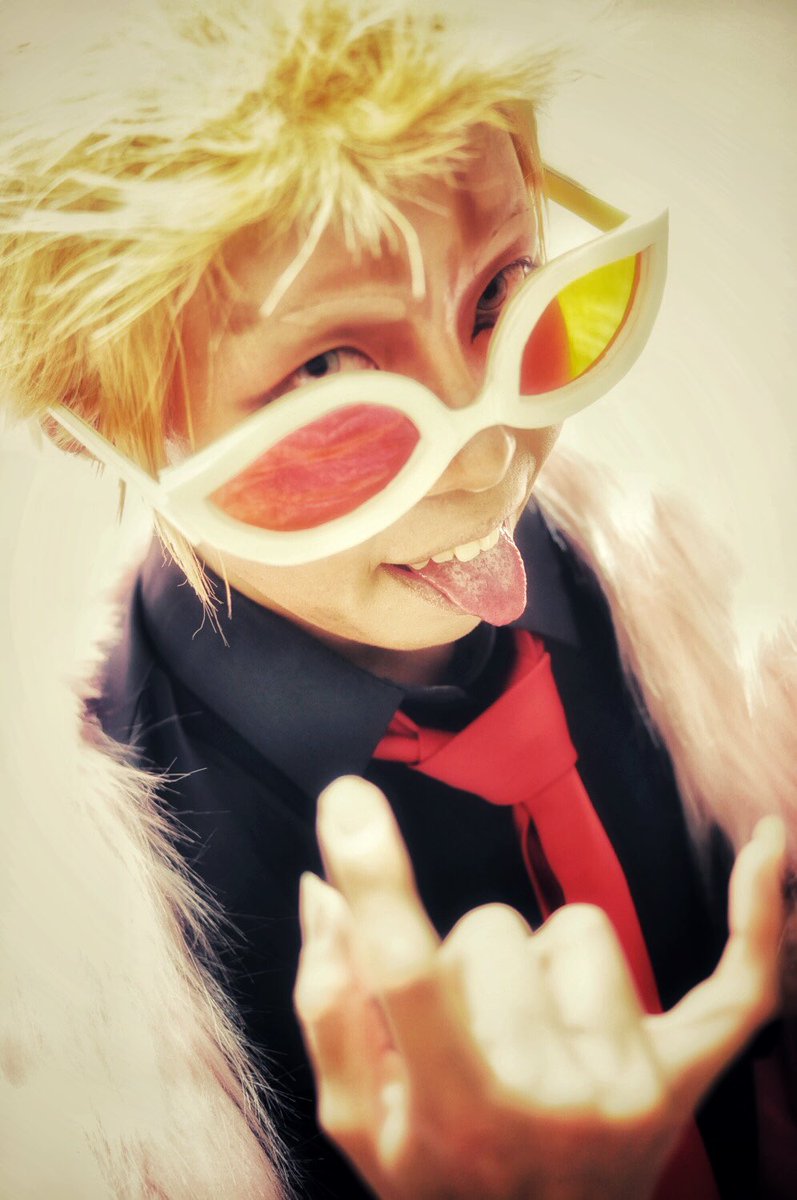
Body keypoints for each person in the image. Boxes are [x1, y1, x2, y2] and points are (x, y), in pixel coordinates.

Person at [0, 1, 794, 1197]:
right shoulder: (81, 985)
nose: (489, 458)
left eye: (502, 295)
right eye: (327, 377)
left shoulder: (684, 616)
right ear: (97, 424)